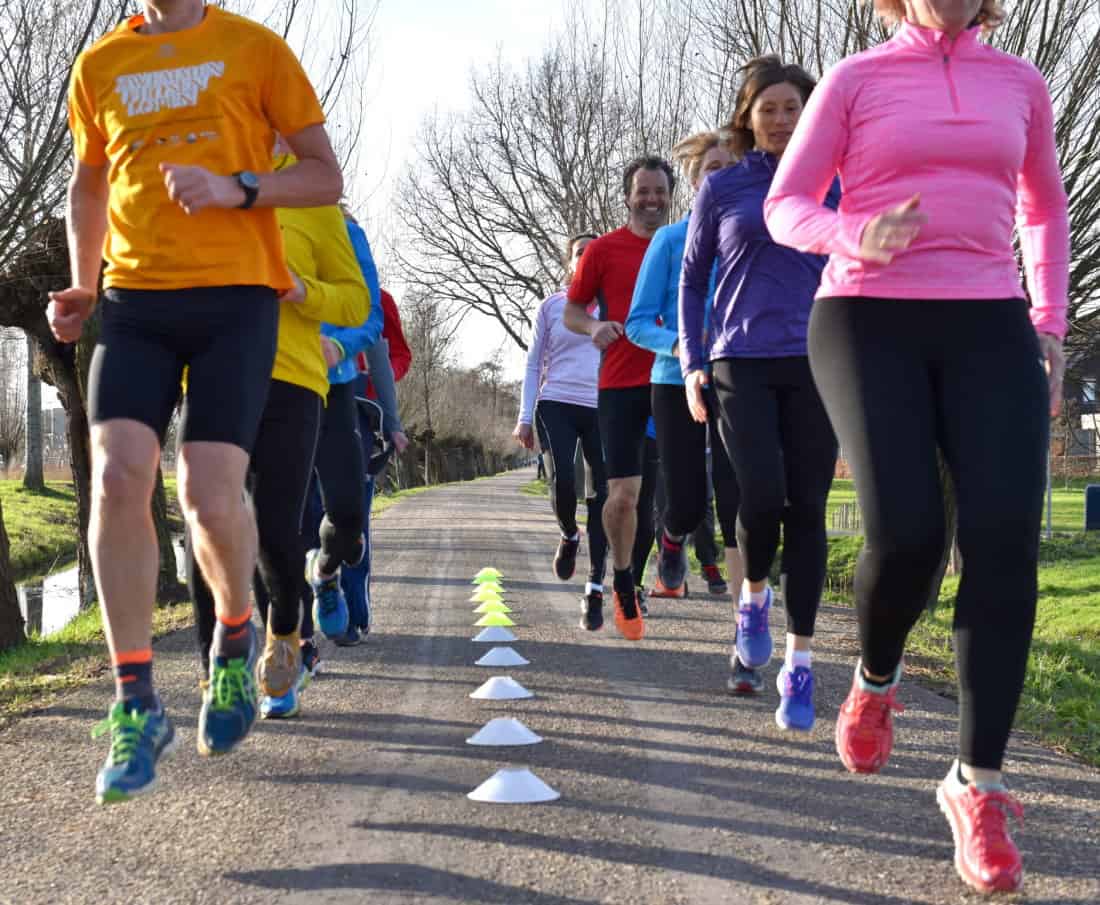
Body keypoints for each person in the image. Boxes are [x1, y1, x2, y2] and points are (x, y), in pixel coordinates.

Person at [764, 0, 1067, 893]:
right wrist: (852, 232)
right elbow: (787, 204)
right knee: (905, 535)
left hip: (989, 318)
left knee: (1007, 540)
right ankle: (876, 674)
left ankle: (979, 784)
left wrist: (1047, 325)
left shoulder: (1022, 82)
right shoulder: (858, 80)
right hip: (865, 315)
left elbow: (1044, 206)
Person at [50, 0, 342, 803]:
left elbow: (325, 172)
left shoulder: (254, 49)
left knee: (208, 494)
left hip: (237, 298)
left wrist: (236, 187)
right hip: (135, 299)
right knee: (117, 476)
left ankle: (236, 643)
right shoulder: (99, 65)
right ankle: (136, 701)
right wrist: (83, 279)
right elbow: (89, 178)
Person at [680, 57, 840, 723]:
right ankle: (752, 597)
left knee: (808, 508)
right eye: (766, 108)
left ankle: (798, 666)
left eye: (791, 107)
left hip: (817, 361)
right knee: (764, 494)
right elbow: (693, 280)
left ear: (810, 113)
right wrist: (692, 362)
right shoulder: (724, 188)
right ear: (747, 117)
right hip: (738, 361)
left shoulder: (837, 184)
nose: (779, 119)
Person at [190, 157, 369, 722]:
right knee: (210, 518)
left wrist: (301, 291)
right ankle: (219, 672)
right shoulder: (203, 178)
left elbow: (355, 302)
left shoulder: (316, 202)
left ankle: (286, 636)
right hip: (214, 372)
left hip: (293, 377)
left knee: (275, 528)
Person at [626, 130, 743, 619]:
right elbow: (637, 321)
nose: (720, 177)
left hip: (739, 375)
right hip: (675, 381)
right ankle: (672, 542)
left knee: (741, 499)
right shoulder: (671, 241)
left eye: (729, 168)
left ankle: (747, 618)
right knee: (690, 499)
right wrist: (678, 344)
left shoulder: (752, 237)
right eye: (710, 170)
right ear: (695, 182)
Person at [564, 157, 674, 640]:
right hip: (621, 386)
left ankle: (645, 565)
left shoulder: (686, 244)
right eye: (642, 191)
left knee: (663, 500)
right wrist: (594, 326)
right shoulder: (604, 250)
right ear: (628, 196)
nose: (651, 200)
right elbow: (572, 309)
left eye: (659, 191)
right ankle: (623, 580)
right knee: (623, 498)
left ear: (672, 195)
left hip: (673, 381)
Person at [514, 234, 610, 630]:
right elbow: (534, 362)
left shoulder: (612, 305)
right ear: (570, 262)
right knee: (563, 482)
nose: (586, 257)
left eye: (593, 252)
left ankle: (595, 589)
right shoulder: (552, 306)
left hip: (603, 406)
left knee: (603, 496)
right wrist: (524, 415)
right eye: (579, 253)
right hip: (555, 403)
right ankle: (569, 534)